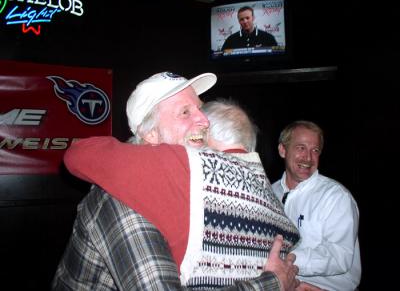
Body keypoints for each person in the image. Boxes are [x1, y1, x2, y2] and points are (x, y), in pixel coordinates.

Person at [52, 72, 301, 291]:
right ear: (151, 134)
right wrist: (272, 283)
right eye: (185, 112)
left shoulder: (190, 185)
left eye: (200, 110)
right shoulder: (122, 196)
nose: (204, 121)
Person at [272, 120, 362, 291]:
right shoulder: (270, 191)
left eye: (315, 150)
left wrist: (285, 259)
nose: (308, 158)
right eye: (301, 148)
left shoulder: (335, 197)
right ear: (283, 150)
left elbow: (339, 257)